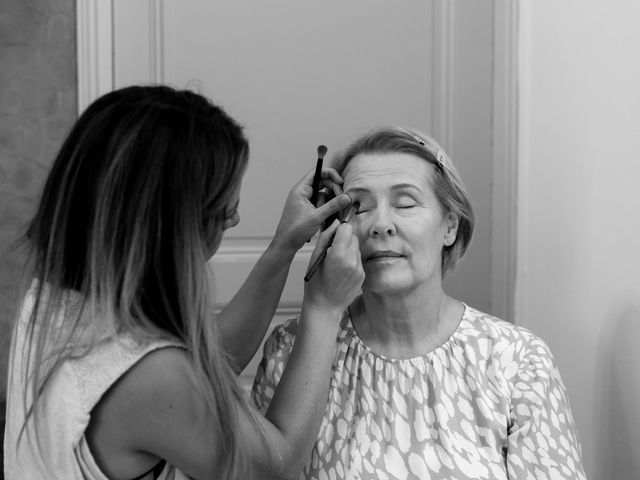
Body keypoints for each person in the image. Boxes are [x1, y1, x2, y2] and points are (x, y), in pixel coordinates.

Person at [3, 85, 365, 480]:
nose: (235, 221)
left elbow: (204, 367)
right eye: (225, 210)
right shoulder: (150, 378)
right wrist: (324, 308)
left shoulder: (54, 300)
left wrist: (283, 246)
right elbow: (274, 466)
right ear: (175, 227)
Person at [252, 126, 587, 479]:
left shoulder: (517, 361)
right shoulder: (290, 351)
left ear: (450, 227)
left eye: (405, 203)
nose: (381, 225)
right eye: (360, 207)